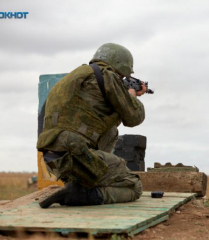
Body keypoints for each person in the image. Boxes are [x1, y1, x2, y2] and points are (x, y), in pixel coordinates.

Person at [37, 43, 146, 208]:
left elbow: (90, 111)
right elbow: (134, 118)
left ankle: (81, 184)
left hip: (53, 158)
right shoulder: (107, 76)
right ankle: (85, 194)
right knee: (133, 185)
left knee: (111, 131)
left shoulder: (75, 77)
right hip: (76, 155)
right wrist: (131, 95)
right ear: (120, 66)